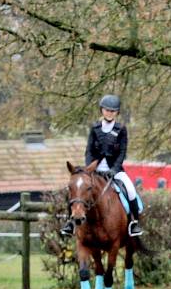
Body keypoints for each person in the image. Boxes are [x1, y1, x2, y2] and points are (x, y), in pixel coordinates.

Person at [61, 94, 143, 237]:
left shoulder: (121, 129)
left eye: (112, 111)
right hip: (94, 171)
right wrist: (88, 169)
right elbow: (89, 151)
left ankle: (134, 223)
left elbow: (122, 152)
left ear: (117, 113)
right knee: (77, 190)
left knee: (130, 190)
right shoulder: (95, 128)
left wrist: (114, 169)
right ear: (102, 110)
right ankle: (70, 223)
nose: (109, 113)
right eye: (107, 110)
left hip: (115, 171)